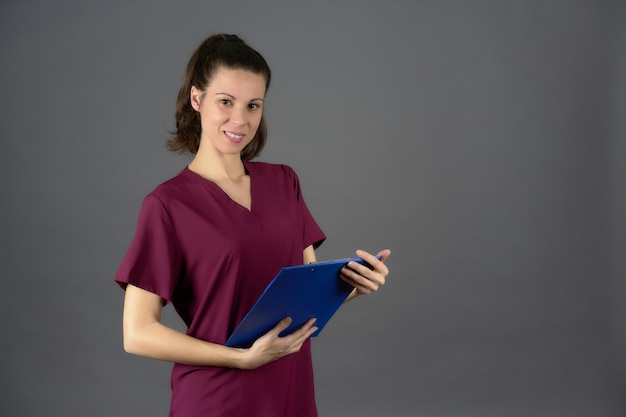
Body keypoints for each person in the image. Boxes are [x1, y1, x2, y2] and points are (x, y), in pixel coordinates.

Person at [115, 33, 391, 417]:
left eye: (253, 105)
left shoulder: (284, 183)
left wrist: (355, 285)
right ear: (197, 99)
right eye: (225, 102)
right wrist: (240, 358)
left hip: (289, 390)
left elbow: (304, 294)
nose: (240, 120)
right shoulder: (167, 205)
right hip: (217, 397)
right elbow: (138, 333)